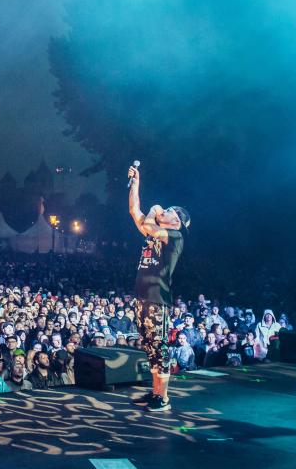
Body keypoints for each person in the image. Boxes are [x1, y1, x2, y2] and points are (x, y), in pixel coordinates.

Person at [128, 163, 189, 412]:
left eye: (170, 210)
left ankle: (163, 398)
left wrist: (153, 211)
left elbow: (147, 224)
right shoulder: (156, 233)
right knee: (150, 347)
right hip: (142, 296)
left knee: (160, 346)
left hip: (157, 298)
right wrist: (136, 182)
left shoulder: (174, 237)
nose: (165, 209)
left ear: (177, 220)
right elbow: (134, 211)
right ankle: (155, 393)